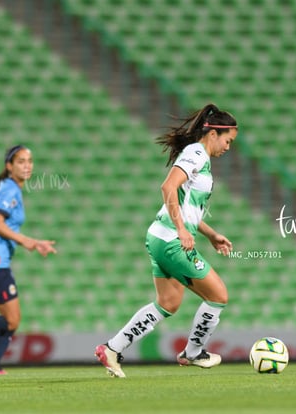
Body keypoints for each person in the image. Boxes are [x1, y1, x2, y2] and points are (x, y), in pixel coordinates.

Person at [95, 103, 238, 378]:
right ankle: (193, 353)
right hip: (171, 240)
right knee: (218, 296)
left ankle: (112, 348)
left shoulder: (199, 158)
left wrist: (210, 234)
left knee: (168, 304)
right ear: (213, 134)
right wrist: (182, 230)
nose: (228, 147)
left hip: (159, 237)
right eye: (228, 140)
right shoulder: (196, 153)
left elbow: (186, 204)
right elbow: (168, 187)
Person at [0, 145, 57, 374]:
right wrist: (27, 241)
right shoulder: (10, 189)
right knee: (12, 321)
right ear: (9, 166)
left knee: (11, 321)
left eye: (29, 161)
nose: (27, 165)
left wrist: (32, 242)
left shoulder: (9, 187)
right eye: (21, 161)